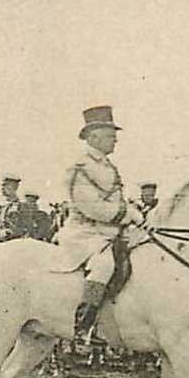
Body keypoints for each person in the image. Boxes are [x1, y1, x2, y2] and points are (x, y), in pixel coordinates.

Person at [57, 104, 142, 340]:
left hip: (110, 232)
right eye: (110, 136)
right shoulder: (80, 167)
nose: (115, 141)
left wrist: (134, 212)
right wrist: (126, 215)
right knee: (104, 264)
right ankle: (84, 321)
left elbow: (116, 199)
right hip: (86, 233)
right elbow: (90, 206)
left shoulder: (105, 165)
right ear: (93, 137)